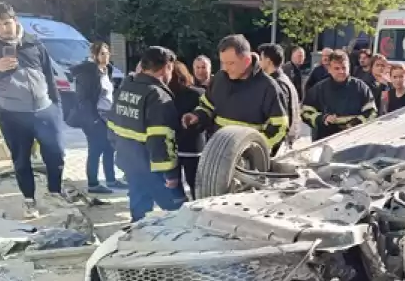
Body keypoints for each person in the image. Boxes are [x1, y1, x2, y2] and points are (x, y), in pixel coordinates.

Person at [0, 2, 68, 218]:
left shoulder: (33, 42)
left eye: (7, 22)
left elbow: (50, 78)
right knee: (21, 159)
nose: (4, 28)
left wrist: (57, 108)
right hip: (12, 114)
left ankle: (55, 193)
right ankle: (29, 200)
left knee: (57, 154)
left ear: (15, 21)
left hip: (45, 110)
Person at [107, 46, 183, 222]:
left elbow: (111, 125)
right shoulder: (158, 96)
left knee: (139, 210)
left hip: (128, 161)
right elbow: (160, 139)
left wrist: (122, 151)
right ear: (167, 67)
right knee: (178, 213)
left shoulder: (126, 87)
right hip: (152, 169)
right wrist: (170, 175)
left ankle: (137, 240)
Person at [182, 34, 288, 153]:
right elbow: (207, 106)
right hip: (216, 154)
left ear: (247, 61)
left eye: (231, 63)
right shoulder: (219, 79)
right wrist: (197, 116)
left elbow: (280, 127)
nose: (225, 68)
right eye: (223, 63)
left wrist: (255, 148)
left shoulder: (269, 88)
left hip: (248, 162)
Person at [70, 42, 128, 194]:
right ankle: (93, 183)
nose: (106, 56)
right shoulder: (87, 73)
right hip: (94, 116)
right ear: (94, 55)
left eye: (107, 53)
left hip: (107, 115)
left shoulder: (106, 70)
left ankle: (111, 179)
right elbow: (84, 99)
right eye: (102, 53)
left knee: (109, 148)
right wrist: (93, 119)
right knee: (95, 149)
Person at [300, 50, 377, 141]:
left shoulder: (361, 87)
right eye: (337, 68)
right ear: (329, 69)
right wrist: (322, 119)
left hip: (353, 140)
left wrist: (356, 123)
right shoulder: (319, 88)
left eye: (344, 68)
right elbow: (306, 112)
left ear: (349, 67)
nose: (341, 71)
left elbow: (372, 112)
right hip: (325, 139)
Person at [168, 61, 205, 200]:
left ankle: (181, 208)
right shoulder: (199, 93)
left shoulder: (167, 96)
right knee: (196, 185)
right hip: (194, 147)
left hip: (174, 146)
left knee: (175, 186)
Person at [258, 43, 301, 154]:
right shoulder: (283, 79)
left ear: (268, 61)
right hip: (283, 142)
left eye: (261, 59)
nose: (259, 62)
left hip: (278, 145)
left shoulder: (277, 84)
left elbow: (283, 120)